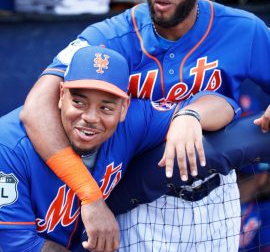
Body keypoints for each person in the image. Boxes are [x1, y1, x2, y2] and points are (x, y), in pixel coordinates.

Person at [20, 0, 270, 250]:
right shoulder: (109, 36)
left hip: (216, 197)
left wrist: (189, 115)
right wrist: (89, 195)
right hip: (137, 204)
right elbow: (35, 107)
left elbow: (224, 104)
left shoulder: (243, 29)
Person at [0, 45, 181, 251]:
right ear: (61, 96)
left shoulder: (133, 123)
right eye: (78, 102)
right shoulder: (7, 147)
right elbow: (17, 244)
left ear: (124, 108)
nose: (90, 118)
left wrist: (189, 117)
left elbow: (214, 104)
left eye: (105, 107)